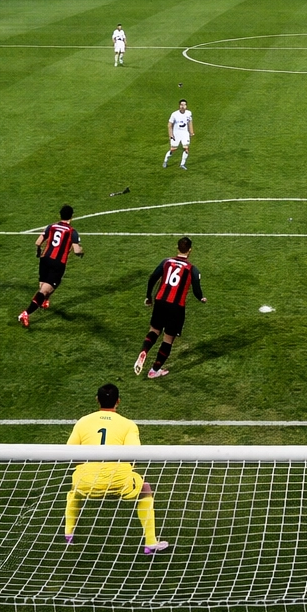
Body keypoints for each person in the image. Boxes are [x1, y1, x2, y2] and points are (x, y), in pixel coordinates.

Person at [63, 383, 170, 555]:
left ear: (97, 400)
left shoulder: (83, 422)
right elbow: (134, 456)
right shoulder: (128, 425)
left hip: (87, 484)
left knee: (75, 489)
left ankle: (68, 533)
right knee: (145, 488)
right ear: (118, 401)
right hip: (120, 482)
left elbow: (69, 454)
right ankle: (150, 543)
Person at [134, 236, 207, 379]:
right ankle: (154, 370)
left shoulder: (166, 262)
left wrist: (149, 297)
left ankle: (144, 350)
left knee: (154, 330)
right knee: (168, 339)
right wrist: (201, 298)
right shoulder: (192, 269)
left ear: (177, 248)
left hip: (160, 301)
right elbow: (197, 291)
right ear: (190, 250)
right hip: (176, 307)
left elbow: (152, 278)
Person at [19, 205, 83, 327]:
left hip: (45, 260)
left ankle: (44, 302)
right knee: (45, 290)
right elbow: (76, 251)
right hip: (57, 263)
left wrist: (38, 252)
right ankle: (26, 313)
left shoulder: (51, 227)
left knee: (44, 286)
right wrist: (82, 251)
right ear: (72, 216)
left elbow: (38, 242)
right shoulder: (72, 232)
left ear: (60, 215)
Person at [164, 100, 194, 170]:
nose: (183, 106)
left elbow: (190, 122)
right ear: (179, 106)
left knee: (186, 149)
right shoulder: (174, 114)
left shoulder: (189, 113)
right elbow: (169, 125)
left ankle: (182, 164)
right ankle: (165, 161)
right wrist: (171, 134)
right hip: (176, 133)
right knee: (173, 149)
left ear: (186, 106)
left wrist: (191, 131)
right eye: (181, 105)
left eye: (184, 105)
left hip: (185, 133)